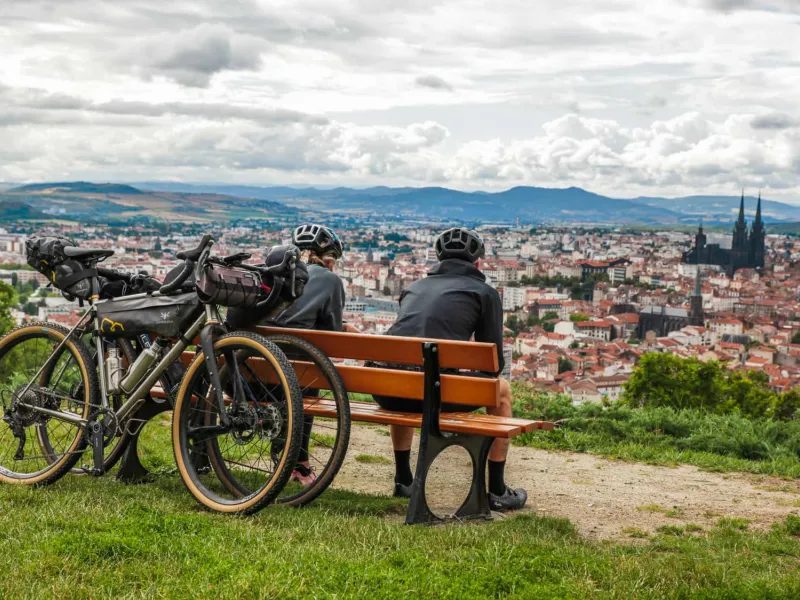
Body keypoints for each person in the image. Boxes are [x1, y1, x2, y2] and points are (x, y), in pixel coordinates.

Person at [374, 227, 527, 511]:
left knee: (406, 376)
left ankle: (403, 479)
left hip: (389, 391)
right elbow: (493, 365)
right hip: (434, 395)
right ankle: (497, 490)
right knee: (502, 391)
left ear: (439, 258)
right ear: (478, 262)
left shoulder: (414, 287)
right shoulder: (485, 293)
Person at [228, 223, 352, 485]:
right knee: (310, 374)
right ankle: (299, 462)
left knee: (298, 370)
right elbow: (330, 339)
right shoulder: (330, 281)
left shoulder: (271, 272)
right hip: (292, 384)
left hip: (242, 380)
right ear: (329, 259)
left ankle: (200, 456)